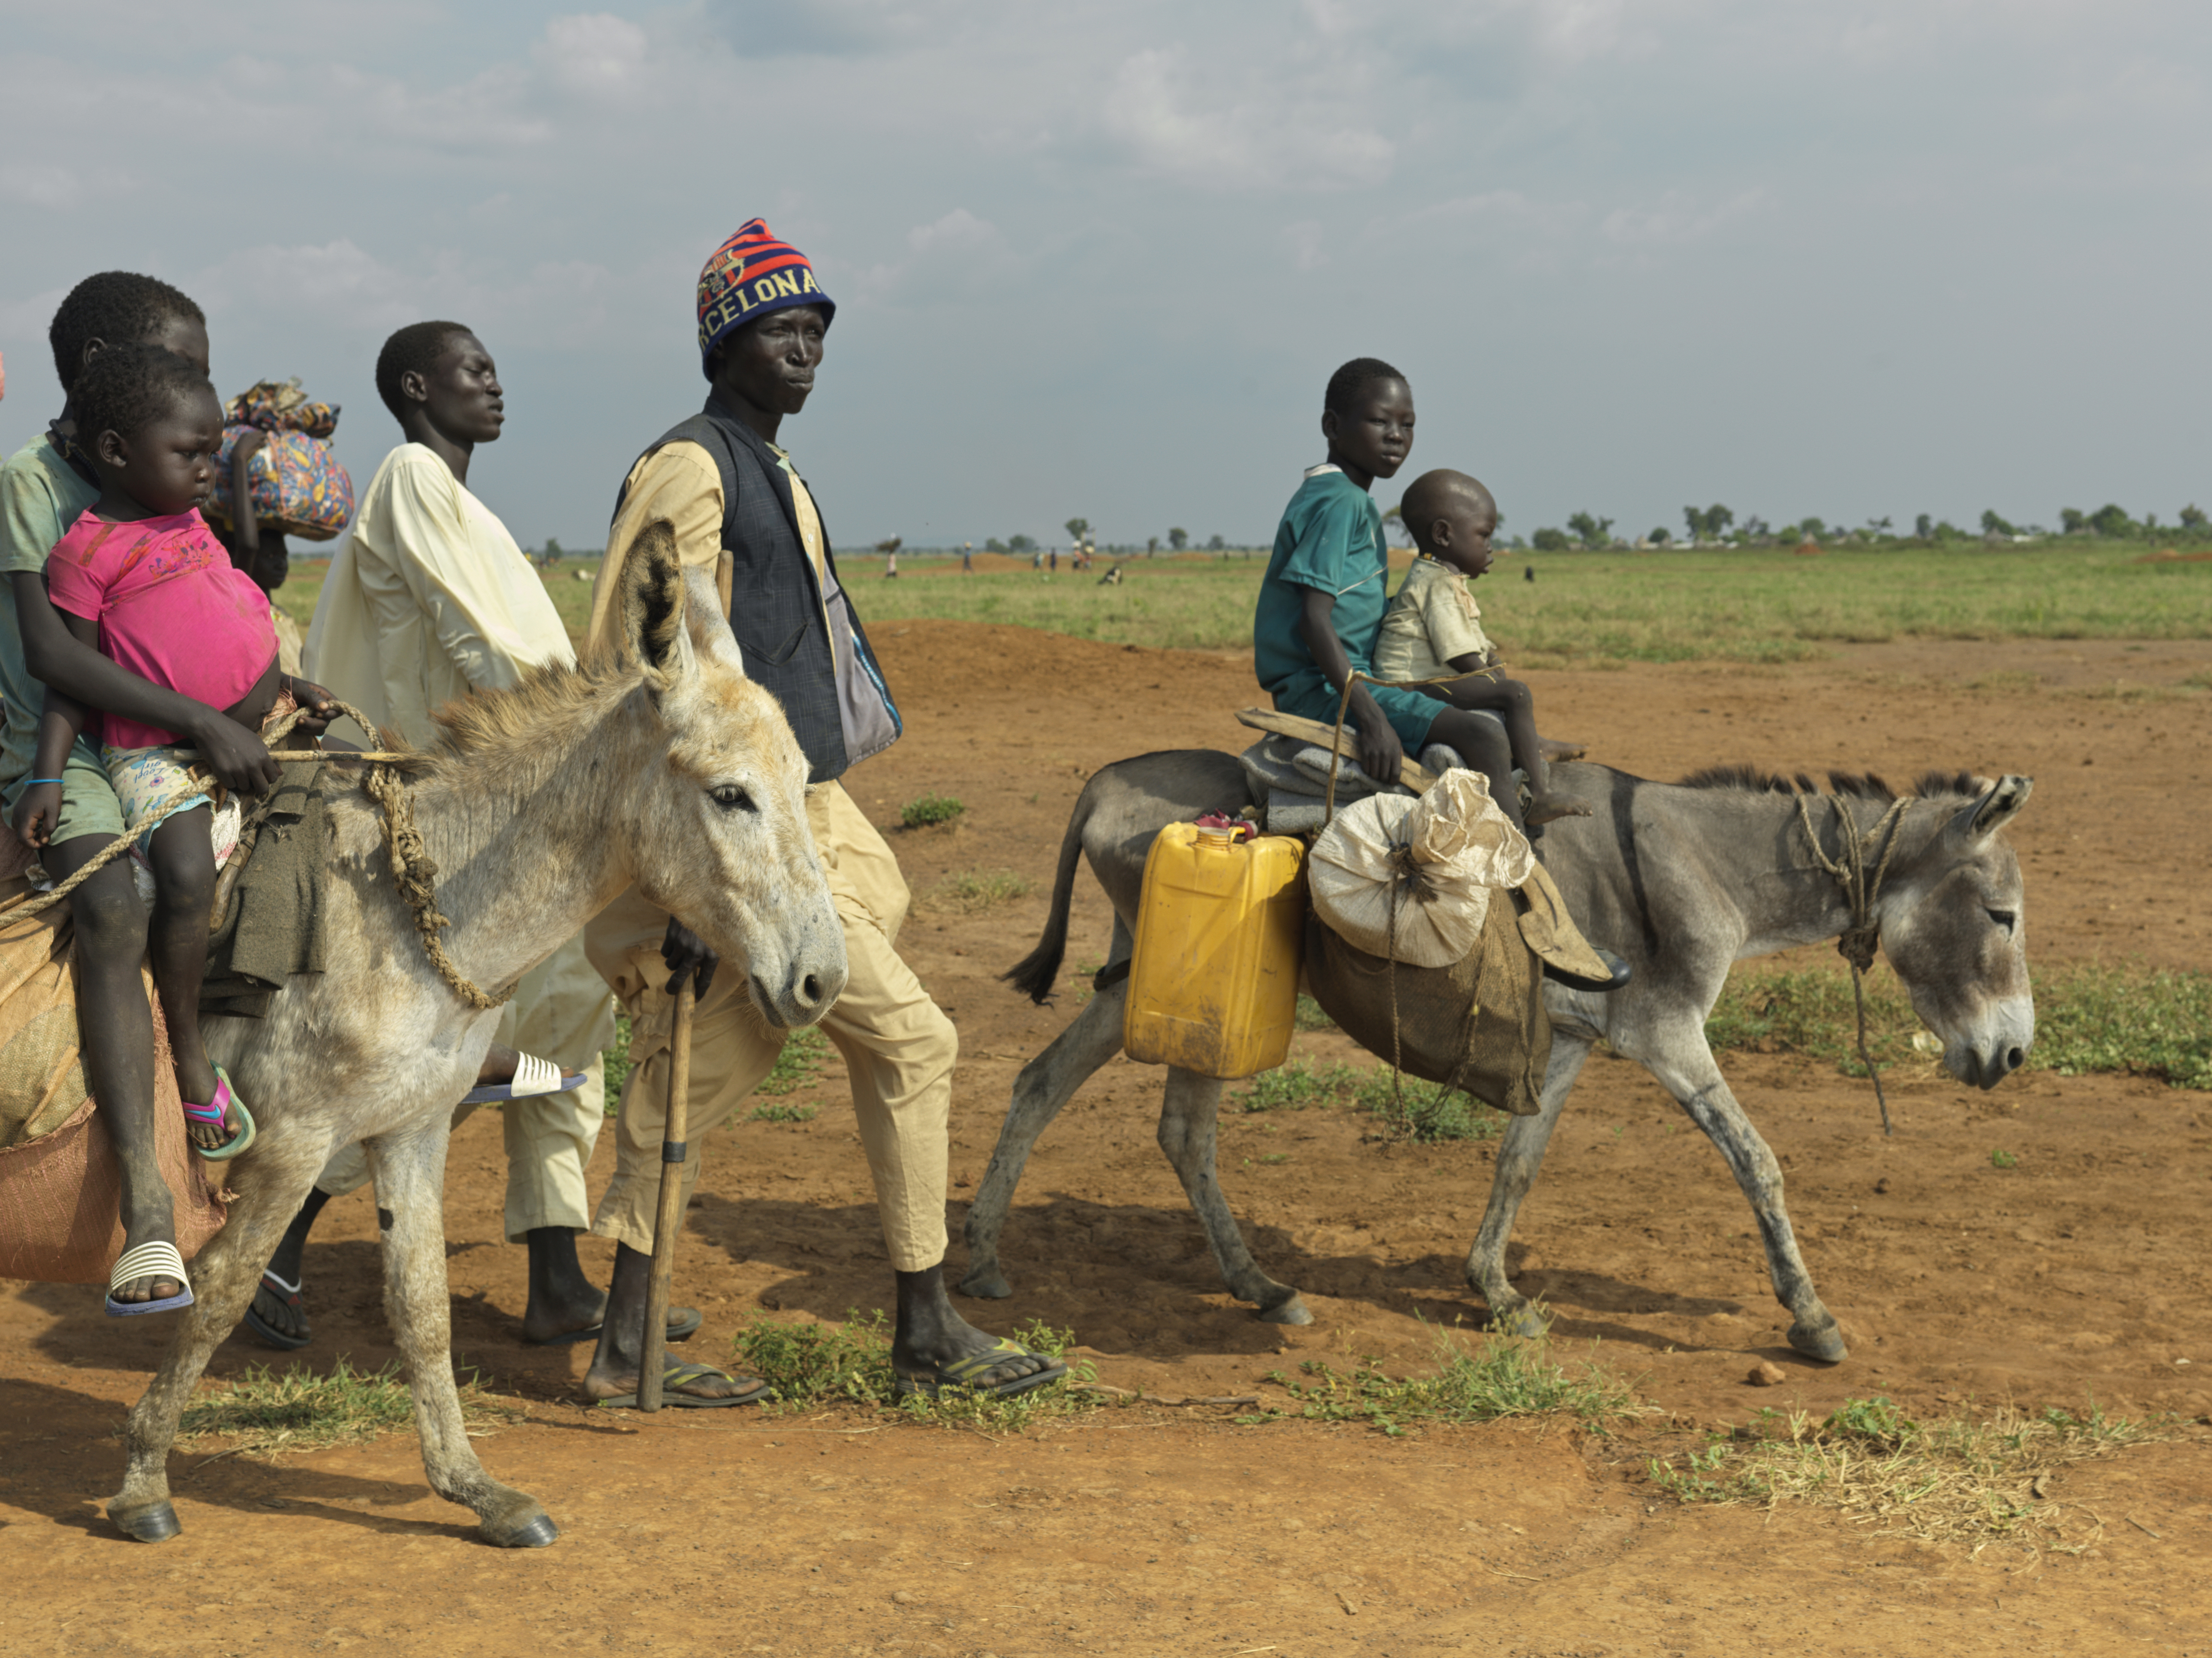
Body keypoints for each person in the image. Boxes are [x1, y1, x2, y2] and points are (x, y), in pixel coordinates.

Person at [577, 218, 1062, 1407]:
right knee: (914, 1042)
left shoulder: (769, 467)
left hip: (803, 809)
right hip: (731, 828)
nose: (800, 347)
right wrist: (685, 876)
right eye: (773, 328)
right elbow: (642, 658)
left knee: (706, 1065)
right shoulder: (693, 468)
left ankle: (626, 1343)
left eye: (812, 329)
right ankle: (924, 1326)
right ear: (721, 342)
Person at [253, 320, 620, 1352]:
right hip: (427, 830)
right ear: (417, 387)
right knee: (418, 1052)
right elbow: (485, 644)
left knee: (554, 1022)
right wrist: (583, 736)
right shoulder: (412, 478)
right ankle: (274, 1246)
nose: (497, 387)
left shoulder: (458, 499)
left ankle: (558, 1273)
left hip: (505, 816)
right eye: (475, 371)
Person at [0, 272, 301, 1314]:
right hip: (79, 742)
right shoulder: (38, 492)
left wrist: (262, 680)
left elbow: (216, 600)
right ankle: (148, 1200)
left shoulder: (172, 484)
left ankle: (413, 1041)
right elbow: (54, 656)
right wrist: (202, 723)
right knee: (118, 900)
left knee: (330, 816)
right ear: (106, 395)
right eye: (188, 384)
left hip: (181, 722)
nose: (202, 411)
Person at [16, 344, 340, 1186]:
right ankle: (192, 1052)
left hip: (260, 717)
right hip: (154, 752)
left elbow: (227, 608)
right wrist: (48, 777)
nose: (205, 471)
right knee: (189, 872)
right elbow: (68, 682)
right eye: (190, 454)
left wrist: (290, 683)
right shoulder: (83, 556)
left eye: (212, 452)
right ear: (119, 453)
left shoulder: (190, 522)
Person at [1251, 357, 1546, 829]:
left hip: (1354, 679)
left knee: (1492, 702)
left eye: (1406, 425)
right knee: (1481, 735)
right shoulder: (1341, 502)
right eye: (1379, 421)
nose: (1396, 435)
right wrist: (1369, 718)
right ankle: (1519, 871)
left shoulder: (1344, 498)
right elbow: (1314, 618)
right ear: (1332, 425)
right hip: (1326, 691)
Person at [1374, 469, 1590, 826]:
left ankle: (1532, 745)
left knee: (1504, 690)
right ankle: (1539, 793)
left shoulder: (1446, 579)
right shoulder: (1436, 584)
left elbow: (1470, 637)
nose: (1490, 546)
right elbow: (1458, 653)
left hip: (1429, 680)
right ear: (1444, 534)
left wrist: (1491, 659)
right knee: (1515, 694)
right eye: (1484, 535)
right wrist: (1490, 674)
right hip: (1410, 687)